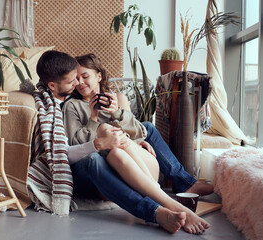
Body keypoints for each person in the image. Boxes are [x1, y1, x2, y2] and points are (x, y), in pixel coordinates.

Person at [63, 53, 211, 234]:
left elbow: (139, 131)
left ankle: (184, 184)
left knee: (144, 127)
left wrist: (118, 113)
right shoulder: (73, 106)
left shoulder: (119, 98)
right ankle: (163, 203)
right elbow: (76, 145)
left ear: (99, 76)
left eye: (85, 76)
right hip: (102, 163)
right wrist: (93, 117)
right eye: (76, 79)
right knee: (103, 137)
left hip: (130, 161)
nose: (80, 82)